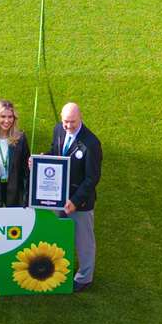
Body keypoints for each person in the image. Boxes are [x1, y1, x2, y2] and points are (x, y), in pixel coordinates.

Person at [50, 102, 101, 292]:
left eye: (72, 122)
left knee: (84, 241)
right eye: (65, 121)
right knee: (58, 235)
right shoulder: (58, 129)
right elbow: (55, 153)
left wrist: (75, 201)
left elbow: (92, 178)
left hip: (80, 202)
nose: (68, 126)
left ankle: (84, 278)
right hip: (59, 196)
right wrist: (40, 160)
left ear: (80, 118)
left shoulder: (91, 143)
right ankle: (58, 269)